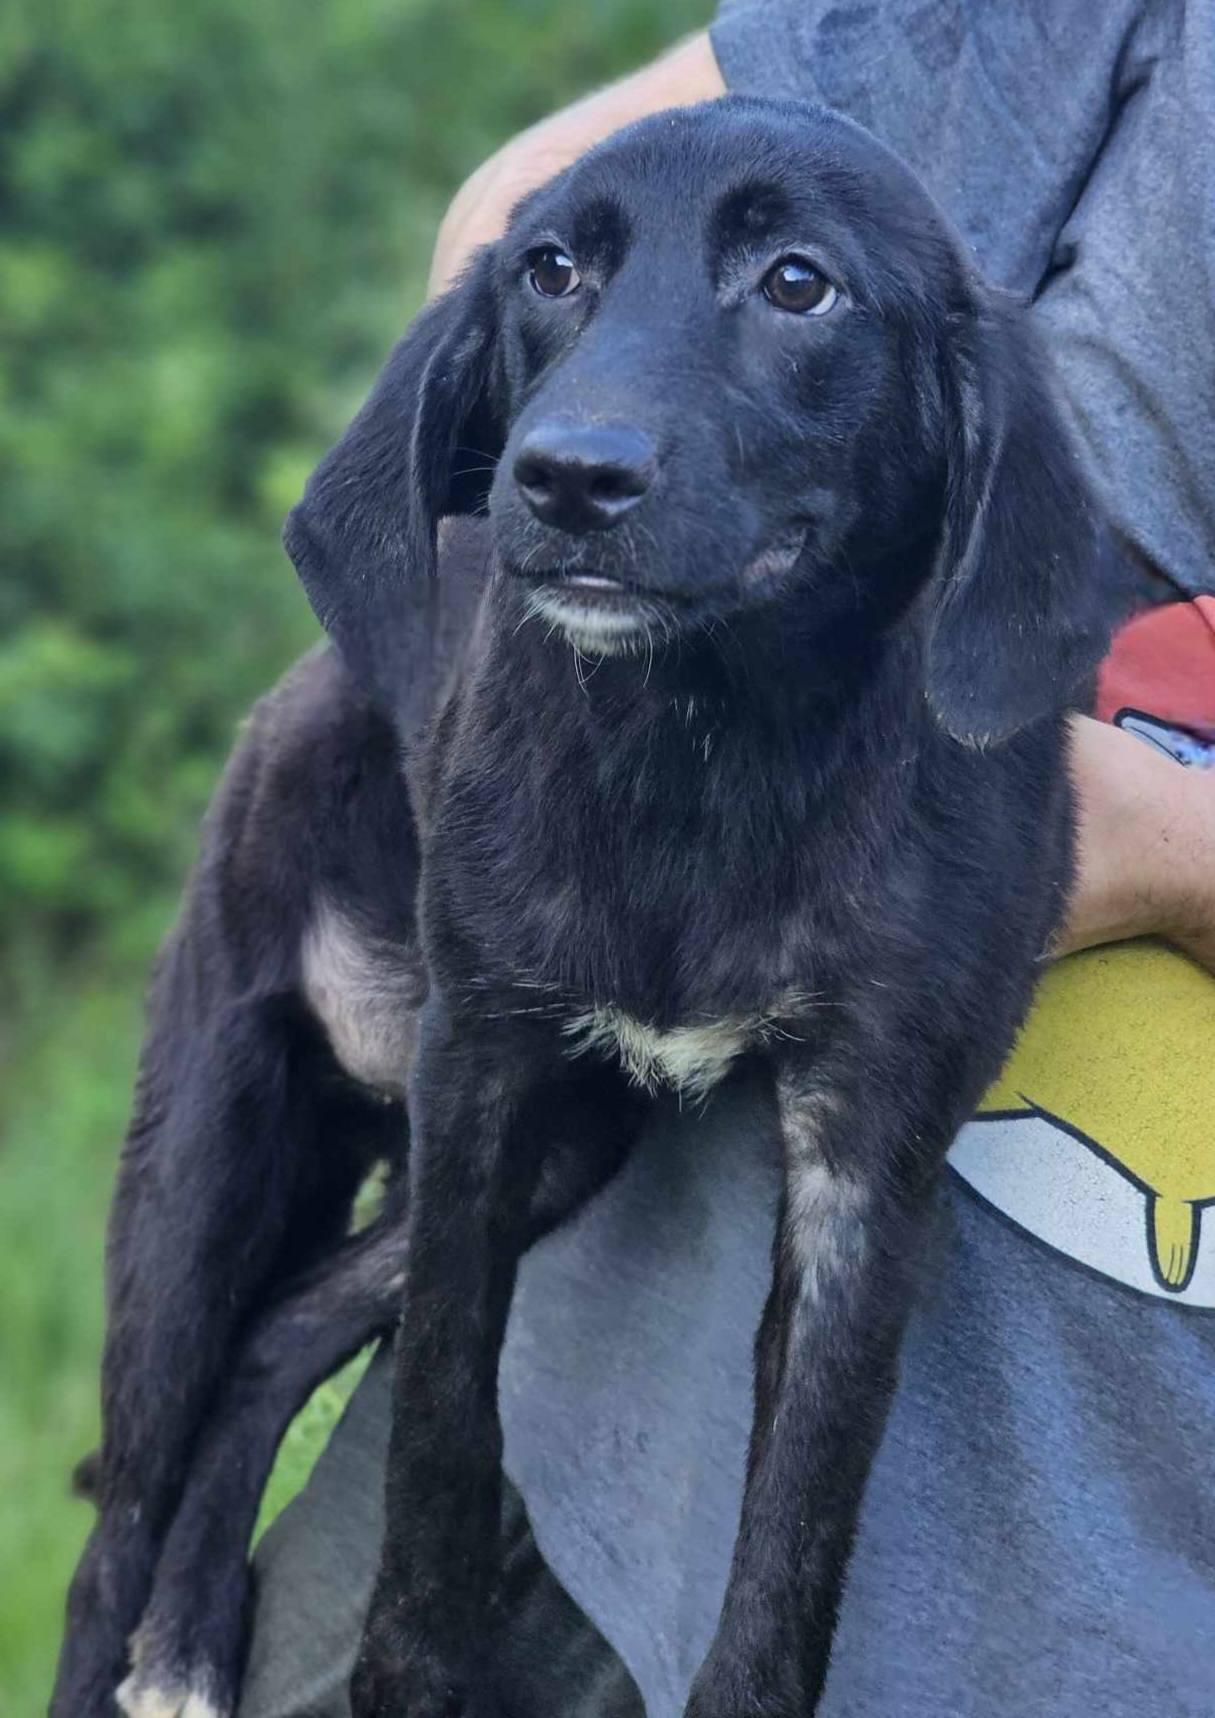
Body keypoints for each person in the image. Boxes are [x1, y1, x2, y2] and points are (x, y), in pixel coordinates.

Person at [236, 8, 1215, 1715]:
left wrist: (1172, 849)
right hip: (588, 1373)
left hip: (1103, 1564)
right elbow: (537, 214)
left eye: (794, 292)